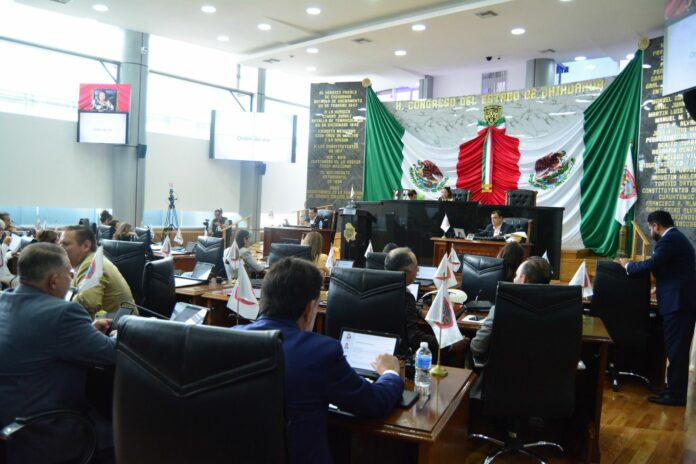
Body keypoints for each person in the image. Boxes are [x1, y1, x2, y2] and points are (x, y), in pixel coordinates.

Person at [235, 257, 403, 464]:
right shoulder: (320, 352)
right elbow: (373, 403)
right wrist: (390, 373)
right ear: (309, 309)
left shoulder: (227, 340)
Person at [0, 243, 116, 462]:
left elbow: (39, 339)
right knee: (129, 433)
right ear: (54, 281)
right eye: (69, 275)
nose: (71, 280)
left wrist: (86, 333)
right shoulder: (63, 313)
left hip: (8, 426)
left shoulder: (4, 299)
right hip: (41, 433)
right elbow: (111, 353)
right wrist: (123, 333)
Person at [618, 210, 696, 406]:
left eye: (650, 228)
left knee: (676, 351)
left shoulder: (669, 240)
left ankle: (676, 395)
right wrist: (659, 287)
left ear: (656, 226)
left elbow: (653, 263)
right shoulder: (675, 238)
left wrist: (628, 266)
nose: (650, 231)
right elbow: (673, 270)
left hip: (678, 304)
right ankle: (673, 390)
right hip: (680, 302)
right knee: (675, 350)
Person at [385, 247, 468, 357]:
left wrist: (419, 311)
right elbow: (414, 337)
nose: (418, 270)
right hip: (398, 356)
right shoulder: (405, 296)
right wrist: (449, 345)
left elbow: (396, 308)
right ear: (404, 272)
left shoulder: (377, 286)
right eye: (416, 267)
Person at [470, 256, 552, 363]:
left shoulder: (500, 308)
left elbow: (477, 348)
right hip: (544, 372)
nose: (514, 279)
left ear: (523, 279)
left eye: (516, 275)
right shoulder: (558, 310)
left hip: (501, 372)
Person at [60, 225, 134, 318]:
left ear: (86, 246)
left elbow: (87, 304)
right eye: (59, 243)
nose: (60, 248)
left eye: (65, 244)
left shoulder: (91, 264)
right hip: (111, 318)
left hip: (118, 323)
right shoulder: (89, 260)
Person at [0, 219, 19, 288]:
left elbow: (2, 259)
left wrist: (9, 255)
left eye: (2, 229)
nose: (1, 232)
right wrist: (5, 244)